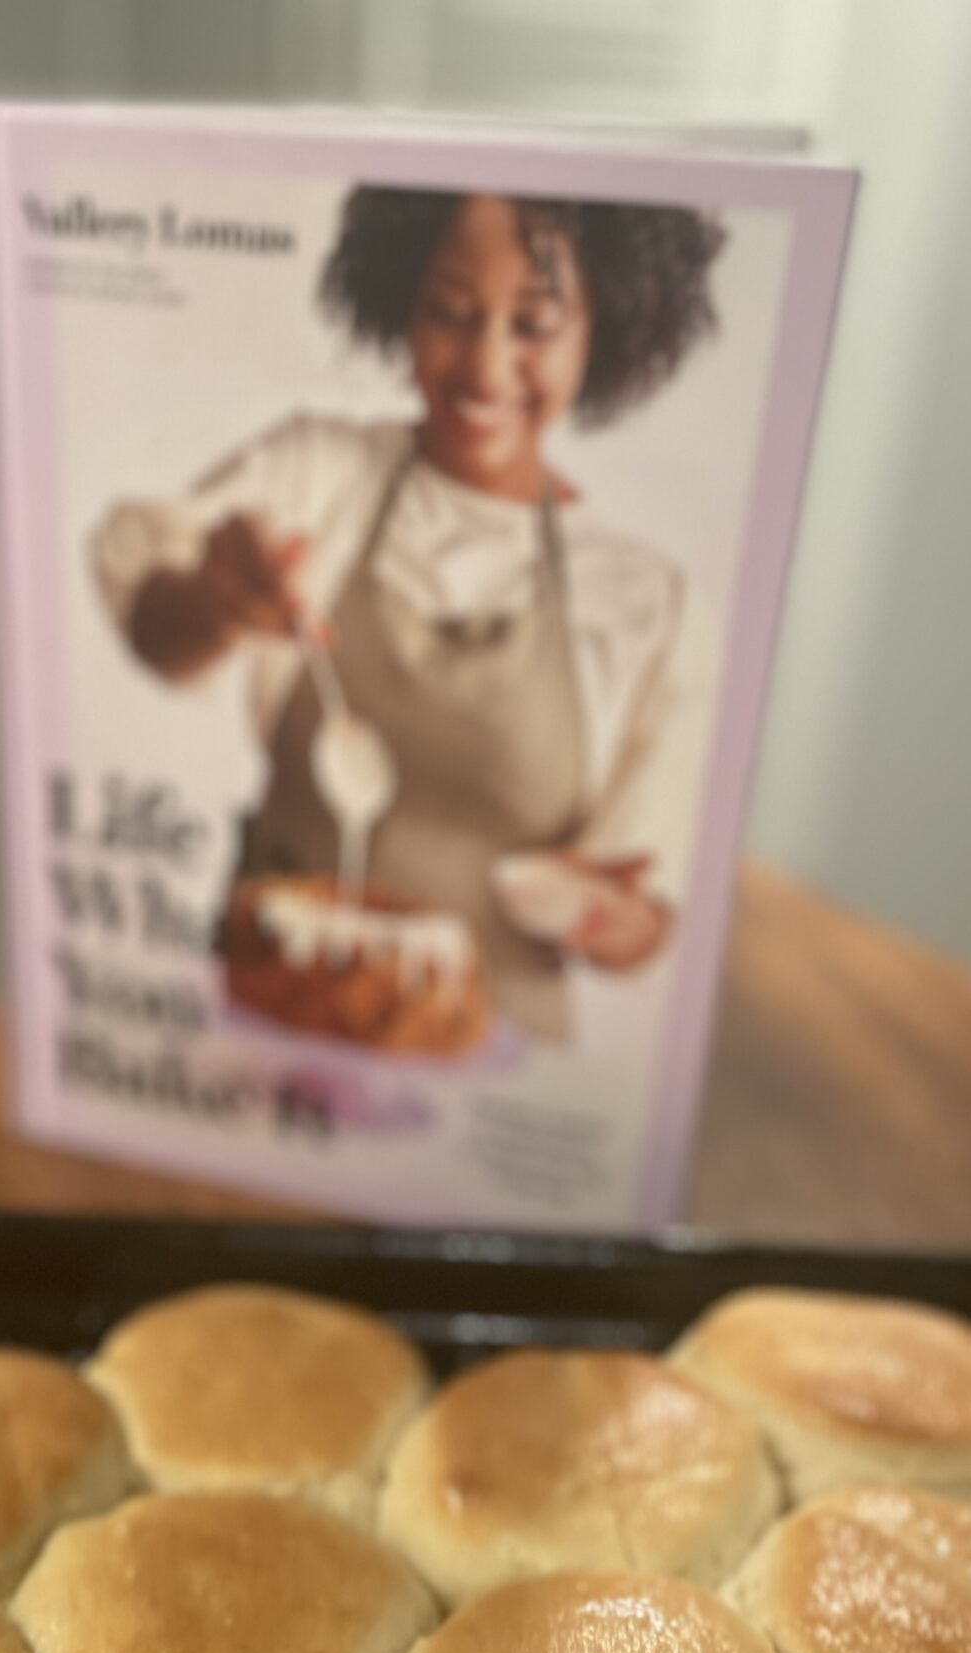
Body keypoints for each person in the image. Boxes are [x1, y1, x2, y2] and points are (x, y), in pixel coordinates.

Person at [92, 188, 726, 1042]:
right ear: (401, 304)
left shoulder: (648, 603)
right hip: (270, 1024)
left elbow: (651, 924)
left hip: (494, 1068)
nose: (484, 366)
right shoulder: (317, 474)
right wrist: (217, 602)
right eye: (450, 312)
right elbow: (154, 628)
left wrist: (613, 923)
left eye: (533, 326)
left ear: (602, 330)